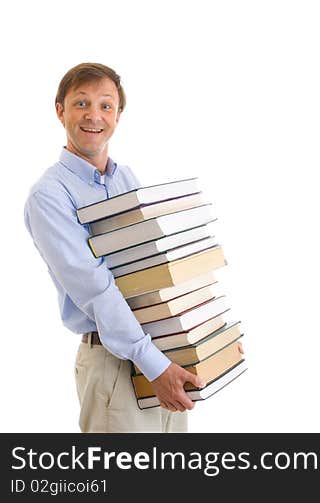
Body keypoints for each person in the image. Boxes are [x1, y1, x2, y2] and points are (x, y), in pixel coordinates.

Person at [24, 62, 206, 432]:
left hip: (161, 354)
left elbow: (152, 272)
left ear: (119, 116)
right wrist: (152, 363)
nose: (94, 116)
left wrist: (204, 340)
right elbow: (96, 289)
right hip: (116, 364)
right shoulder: (49, 196)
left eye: (106, 105)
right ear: (60, 110)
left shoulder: (125, 179)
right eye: (81, 103)